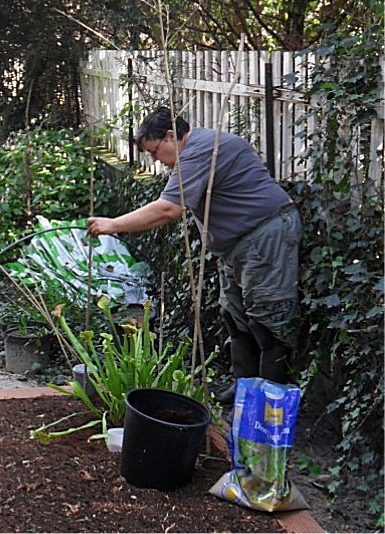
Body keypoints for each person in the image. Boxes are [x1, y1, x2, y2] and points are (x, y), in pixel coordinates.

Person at [87, 106, 302, 404]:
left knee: (268, 321)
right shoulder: (196, 150)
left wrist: (113, 225)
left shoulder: (201, 149)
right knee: (235, 317)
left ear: (172, 136)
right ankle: (244, 389)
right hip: (237, 246)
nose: (157, 161)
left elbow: (168, 209)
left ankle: (267, 404)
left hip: (265, 234)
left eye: (155, 151)